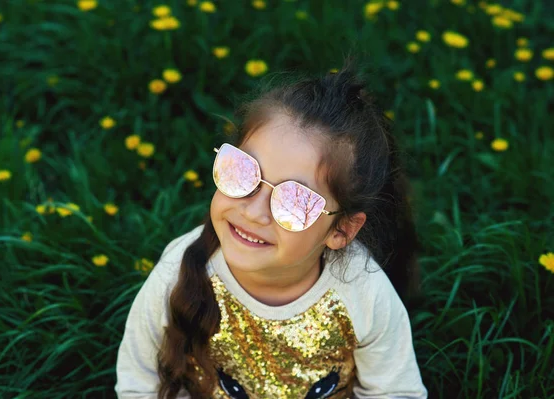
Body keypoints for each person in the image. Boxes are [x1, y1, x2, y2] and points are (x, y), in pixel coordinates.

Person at [115, 57, 428, 399]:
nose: (253, 211)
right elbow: (140, 383)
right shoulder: (176, 274)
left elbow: (396, 392)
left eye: (295, 201)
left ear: (342, 231)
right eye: (243, 171)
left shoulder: (363, 294)